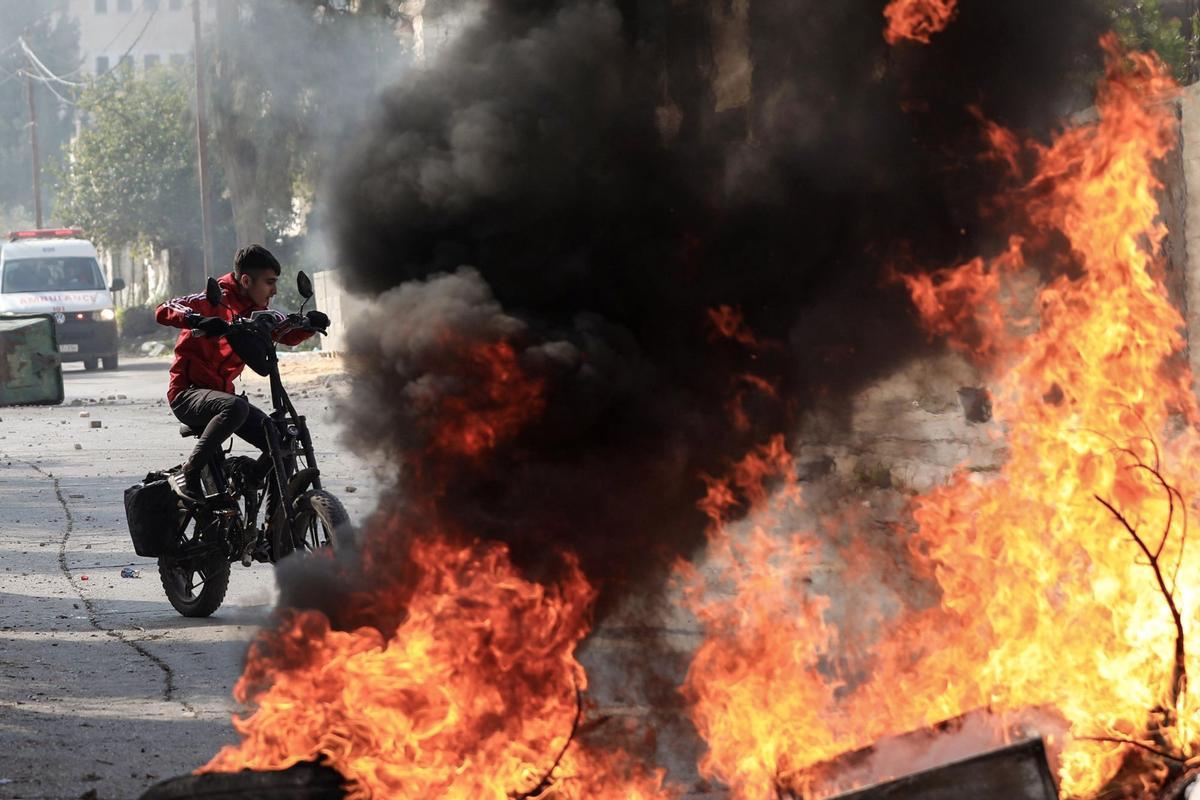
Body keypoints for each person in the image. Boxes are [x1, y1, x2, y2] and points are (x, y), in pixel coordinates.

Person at [155, 244, 329, 502]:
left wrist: (308, 325)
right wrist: (196, 320)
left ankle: (273, 523)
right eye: (270, 282)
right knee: (236, 407)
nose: (275, 290)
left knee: (283, 442)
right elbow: (165, 308)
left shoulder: (259, 312)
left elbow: (284, 331)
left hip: (225, 397)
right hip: (187, 395)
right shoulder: (211, 300)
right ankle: (189, 472)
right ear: (246, 280)